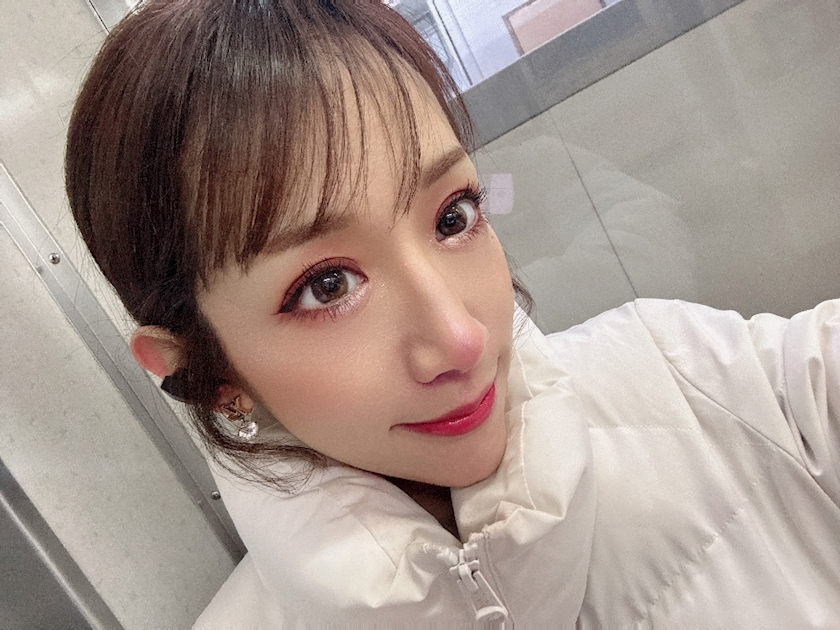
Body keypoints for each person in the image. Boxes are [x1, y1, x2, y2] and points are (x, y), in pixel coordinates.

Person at [66, 0, 840, 625]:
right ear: (209, 376)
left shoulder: (696, 382)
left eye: (452, 216)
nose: (461, 338)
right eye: (327, 285)